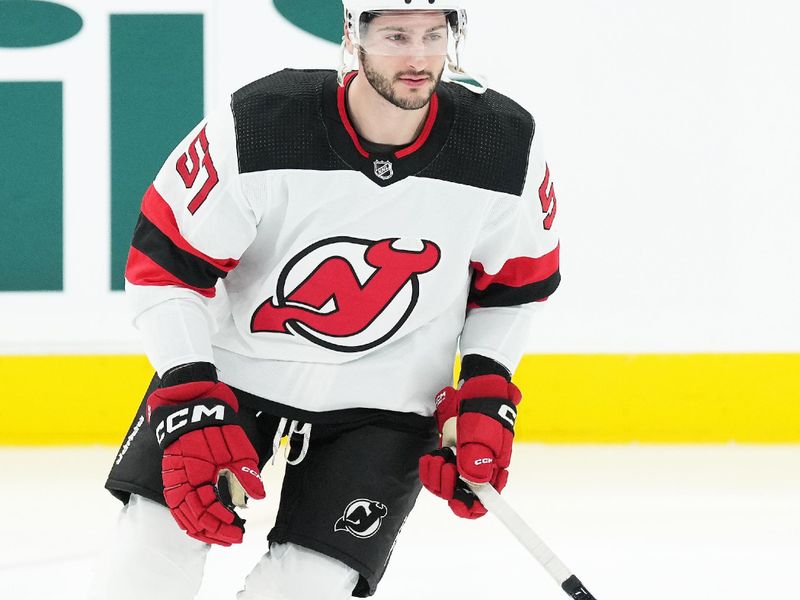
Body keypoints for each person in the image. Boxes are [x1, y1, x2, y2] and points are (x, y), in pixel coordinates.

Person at [90, 0, 560, 598]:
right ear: (353, 36)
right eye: (395, 35)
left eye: (432, 34)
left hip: (388, 402)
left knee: (305, 588)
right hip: (235, 378)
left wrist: (489, 389)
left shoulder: (505, 146)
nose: (417, 57)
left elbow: (516, 286)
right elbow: (164, 267)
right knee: (147, 559)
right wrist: (186, 393)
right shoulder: (261, 124)